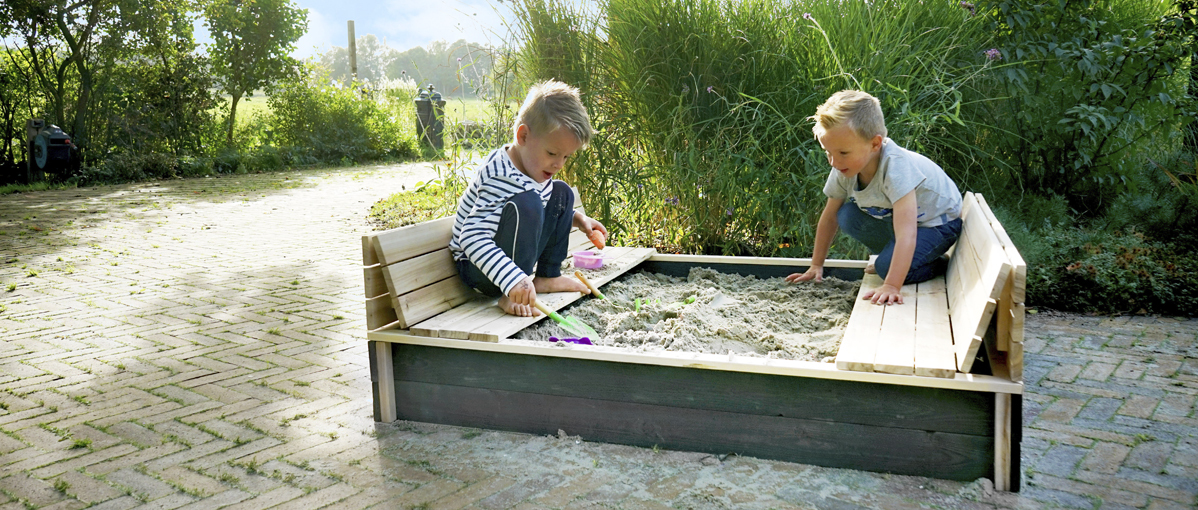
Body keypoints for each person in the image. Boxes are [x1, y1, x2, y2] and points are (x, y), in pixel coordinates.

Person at [786, 90, 963, 305]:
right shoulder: (844, 168)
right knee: (847, 216)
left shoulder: (895, 169)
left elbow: (907, 233)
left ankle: (934, 263)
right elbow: (830, 216)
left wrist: (891, 284)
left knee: (885, 269)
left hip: (938, 225)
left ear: (875, 144)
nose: (833, 161)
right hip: (904, 223)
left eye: (842, 153)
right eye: (828, 152)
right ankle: (897, 260)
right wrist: (816, 265)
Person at [449, 80, 607, 317]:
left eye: (566, 157)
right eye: (552, 153)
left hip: (511, 266)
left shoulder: (532, 167)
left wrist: (576, 218)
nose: (558, 164)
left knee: (561, 192)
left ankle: (546, 276)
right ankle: (508, 296)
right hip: (479, 267)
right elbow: (472, 237)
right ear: (523, 136)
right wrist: (513, 281)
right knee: (528, 202)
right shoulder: (500, 175)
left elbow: (545, 205)